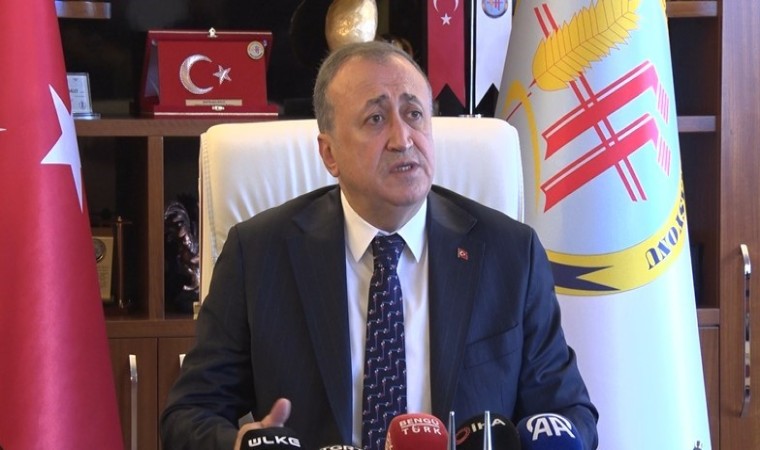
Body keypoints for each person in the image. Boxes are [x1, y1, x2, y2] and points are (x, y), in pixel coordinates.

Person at [160, 40, 598, 450]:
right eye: (375, 119)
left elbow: (570, 414)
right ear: (329, 153)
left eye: (414, 114)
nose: (402, 139)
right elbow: (187, 414)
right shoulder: (259, 254)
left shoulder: (509, 254)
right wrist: (239, 444)